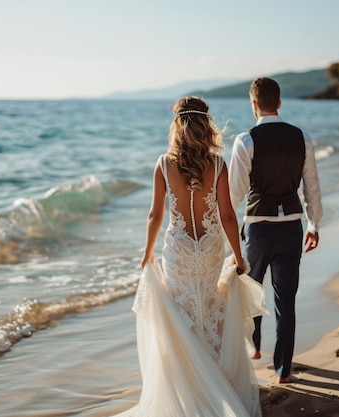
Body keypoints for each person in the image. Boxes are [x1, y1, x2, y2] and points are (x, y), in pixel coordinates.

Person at [118, 96, 263, 417]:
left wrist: (147, 254)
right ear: (205, 125)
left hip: (179, 250)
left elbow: (155, 215)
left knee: (183, 311)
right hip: (210, 247)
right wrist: (239, 257)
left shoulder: (164, 164)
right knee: (208, 306)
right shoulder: (218, 163)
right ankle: (213, 378)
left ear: (177, 126)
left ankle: (191, 387)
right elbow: (227, 215)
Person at [229, 77, 323, 384]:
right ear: (279, 102)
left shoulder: (246, 141)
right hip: (291, 229)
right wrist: (314, 223)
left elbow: (235, 192)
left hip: (258, 229)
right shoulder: (303, 137)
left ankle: (254, 347)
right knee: (286, 300)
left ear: (253, 104)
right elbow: (312, 187)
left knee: (251, 290)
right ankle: (283, 369)